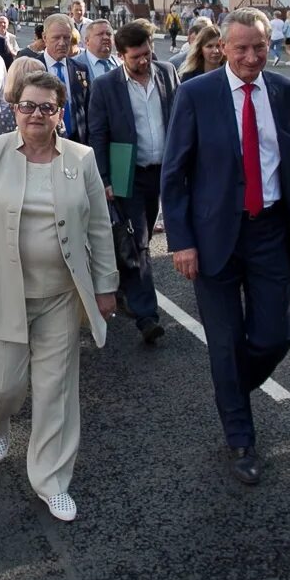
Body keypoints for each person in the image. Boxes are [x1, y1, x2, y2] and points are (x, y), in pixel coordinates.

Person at [0, 71, 117, 522]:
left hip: (60, 295)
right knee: (2, 385)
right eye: (28, 106)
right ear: (14, 110)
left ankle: (52, 480)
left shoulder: (82, 157)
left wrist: (105, 285)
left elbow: (98, 225)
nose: (37, 114)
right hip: (0, 291)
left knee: (56, 390)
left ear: (60, 113)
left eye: (47, 107)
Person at [161, 9, 290, 485]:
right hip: (213, 239)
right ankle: (241, 438)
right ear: (222, 47)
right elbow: (175, 174)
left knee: (275, 335)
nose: (251, 57)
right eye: (241, 48)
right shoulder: (196, 94)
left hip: (270, 232)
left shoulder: (286, 92)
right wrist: (181, 241)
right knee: (225, 342)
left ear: (270, 45)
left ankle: (231, 389)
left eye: (260, 47)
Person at [86, 19, 175, 344]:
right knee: (138, 242)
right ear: (122, 55)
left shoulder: (166, 73)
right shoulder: (107, 86)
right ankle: (147, 315)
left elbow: (177, 117)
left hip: (162, 171)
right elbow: (98, 134)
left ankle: (125, 283)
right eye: (136, 56)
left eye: (147, 54)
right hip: (128, 173)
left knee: (143, 237)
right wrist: (105, 178)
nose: (143, 62)